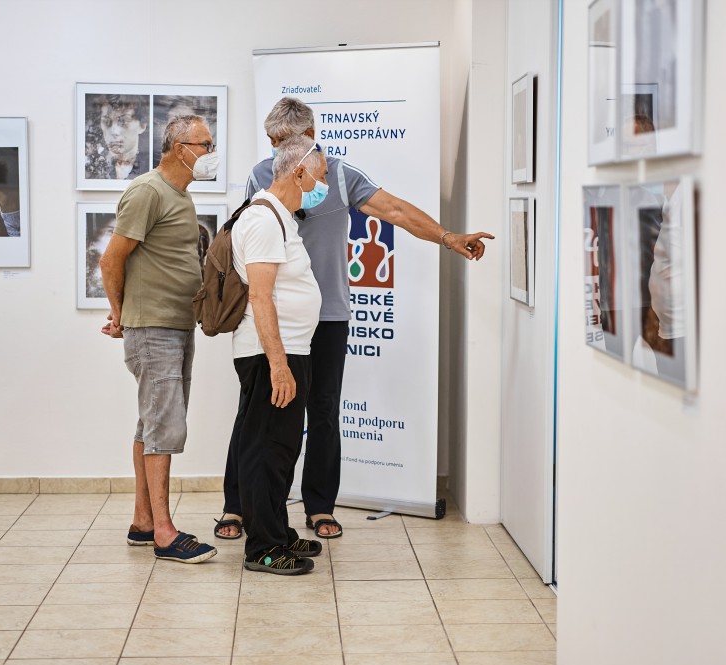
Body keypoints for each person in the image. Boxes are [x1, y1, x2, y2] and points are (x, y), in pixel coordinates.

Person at [214, 97, 494, 541]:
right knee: (255, 409)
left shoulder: (339, 175)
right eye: (274, 142)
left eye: (287, 141)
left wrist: (447, 237)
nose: (279, 150)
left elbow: (395, 211)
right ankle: (237, 505)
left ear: (310, 137)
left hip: (327, 317)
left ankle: (319, 505)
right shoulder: (259, 176)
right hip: (274, 315)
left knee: (324, 409)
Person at [99, 113, 220, 564]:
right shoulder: (147, 191)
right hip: (154, 328)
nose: (211, 153)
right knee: (164, 426)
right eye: (205, 145)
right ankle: (165, 534)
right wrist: (121, 314)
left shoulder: (179, 195)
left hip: (174, 324)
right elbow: (111, 260)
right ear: (180, 148)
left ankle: (143, 521)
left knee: (150, 423)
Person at [225, 134, 324, 575]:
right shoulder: (264, 219)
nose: (323, 185)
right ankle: (263, 547)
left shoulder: (280, 216)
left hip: (288, 349)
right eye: (321, 176)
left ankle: (278, 533)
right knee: (266, 449)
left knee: (281, 448)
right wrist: (279, 365)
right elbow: (260, 297)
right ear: (299, 172)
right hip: (270, 354)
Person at [86, 94, 150, 180]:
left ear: (142, 125)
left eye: (124, 121)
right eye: (106, 121)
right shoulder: (93, 166)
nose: (114, 132)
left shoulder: (151, 168)